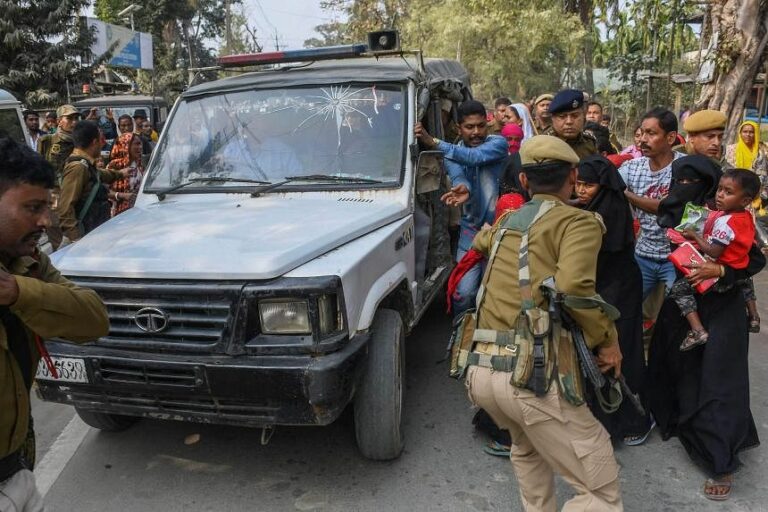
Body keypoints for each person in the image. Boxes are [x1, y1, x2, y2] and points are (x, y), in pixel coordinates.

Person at [465, 135, 623, 511]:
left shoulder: (506, 222)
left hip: (482, 373)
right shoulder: (579, 223)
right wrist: (608, 341)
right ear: (573, 177)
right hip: (532, 378)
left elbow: (481, 242)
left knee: (528, 451)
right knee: (600, 492)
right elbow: (573, 289)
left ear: (524, 181)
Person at [0, 137, 109, 512]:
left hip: (17, 471)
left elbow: (94, 318)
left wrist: (18, 293)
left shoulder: (28, 264)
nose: (46, 221)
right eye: (33, 208)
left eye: (47, 206)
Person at [649, 160, 764, 502]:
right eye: (680, 180)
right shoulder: (682, 211)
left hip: (723, 306)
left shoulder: (731, 218)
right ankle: (678, 422)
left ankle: (720, 460)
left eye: (693, 182)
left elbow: (755, 260)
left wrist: (722, 271)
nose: (684, 187)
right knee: (682, 370)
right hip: (684, 306)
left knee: (720, 379)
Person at [576, 155, 653, 445]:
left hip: (617, 291)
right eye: (578, 184)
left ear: (604, 187)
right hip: (603, 289)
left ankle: (629, 420)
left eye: (588, 185)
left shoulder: (608, 212)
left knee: (621, 352)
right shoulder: (592, 207)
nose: (581, 191)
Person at [414, 100, 508, 316]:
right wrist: (464, 188)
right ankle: (461, 332)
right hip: (470, 234)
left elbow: (473, 158)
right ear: (459, 128)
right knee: (463, 294)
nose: (476, 132)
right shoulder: (453, 152)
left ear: (487, 124)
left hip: (500, 232)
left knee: (495, 294)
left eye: (481, 126)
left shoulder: (498, 144)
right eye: (469, 127)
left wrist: (433, 141)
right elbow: (459, 176)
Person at [670, 169, 760, 349]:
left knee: (679, 290)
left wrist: (695, 236)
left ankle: (698, 331)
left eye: (728, 192)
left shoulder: (725, 222)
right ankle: (753, 316)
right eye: (719, 189)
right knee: (745, 280)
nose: (720, 195)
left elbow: (714, 251)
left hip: (718, 274)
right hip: (739, 267)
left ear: (745, 200)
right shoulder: (746, 216)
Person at [618, 107, 683, 299]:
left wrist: (627, 194)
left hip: (676, 256)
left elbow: (666, 209)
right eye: (642, 133)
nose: (643, 140)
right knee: (629, 304)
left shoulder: (685, 168)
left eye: (651, 133)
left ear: (670, 138)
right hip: (643, 255)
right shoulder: (631, 168)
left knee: (681, 307)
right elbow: (610, 189)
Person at [56, 121, 129, 244]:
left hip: (93, 233)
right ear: (95, 142)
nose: (102, 144)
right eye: (101, 140)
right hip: (84, 238)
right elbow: (65, 209)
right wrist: (76, 240)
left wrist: (120, 173)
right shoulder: (78, 167)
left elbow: (100, 174)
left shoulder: (86, 165)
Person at [545, 89, 599, 158]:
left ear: (583, 116)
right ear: (553, 118)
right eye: (562, 116)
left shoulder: (589, 142)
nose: (569, 121)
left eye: (575, 116)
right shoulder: (544, 143)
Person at [106, 133, 145, 216]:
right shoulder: (115, 165)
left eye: (141, 144)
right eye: (137, 144)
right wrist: (121, 195)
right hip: (119, 212)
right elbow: (104, 191)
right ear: (126, 145)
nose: (140, 147)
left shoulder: (140, 165)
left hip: (138, 209)